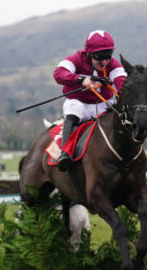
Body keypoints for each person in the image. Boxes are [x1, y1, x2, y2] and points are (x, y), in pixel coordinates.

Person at [52, 30, 127, 171]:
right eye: (100, 57)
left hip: (102, 104)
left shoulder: (113, 65)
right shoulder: (76, 59)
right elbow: (58, 74)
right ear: (89, 53)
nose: (104, 61)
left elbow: (121, 81)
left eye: (108, 56)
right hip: (78, 102)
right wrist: (80, 79)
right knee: (75, 110)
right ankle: (65, 153)